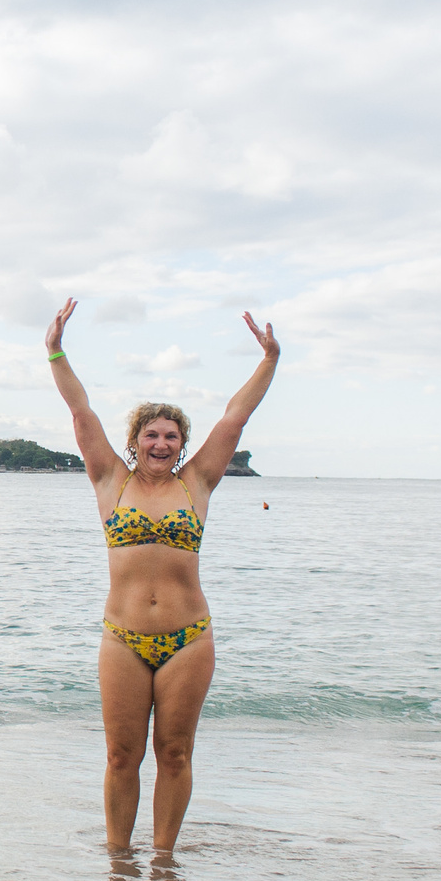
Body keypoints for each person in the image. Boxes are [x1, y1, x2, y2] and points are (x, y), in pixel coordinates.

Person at [46, 299, 281, 852]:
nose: (161, 444)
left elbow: (234, 419)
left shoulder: (197, 482)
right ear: (135, 440)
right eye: (151, 434)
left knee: (174, 754)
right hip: (122, 638)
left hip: (188, 639)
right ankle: (117, 862)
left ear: (182, 445)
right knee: (121, 756)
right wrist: (55, 350)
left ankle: (164, 862)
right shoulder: (110, 481)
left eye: (171, 436)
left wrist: (268, 361)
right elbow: (81, 414)